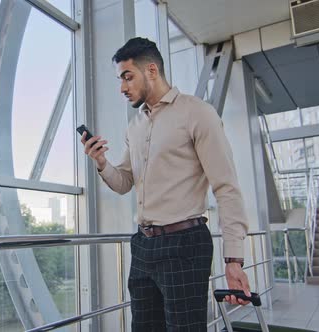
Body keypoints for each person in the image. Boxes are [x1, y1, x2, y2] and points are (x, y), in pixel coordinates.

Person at [80, 37, 251, 331]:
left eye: (127, 77)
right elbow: (124, 183)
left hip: (185, 245)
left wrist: (234, 258)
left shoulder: (197, 113)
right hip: (143, 246)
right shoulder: (135, 126)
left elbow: (226, 187)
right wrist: (102, 163)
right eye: (120, 79)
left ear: (152, 71)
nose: (122, 87)